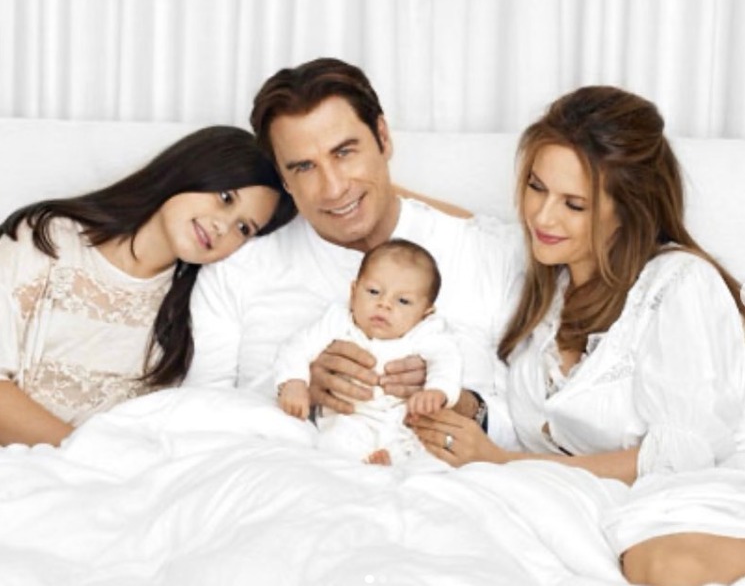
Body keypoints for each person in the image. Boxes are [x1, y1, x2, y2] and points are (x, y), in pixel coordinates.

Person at [409, 85, 745, 585]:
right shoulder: (547, 289)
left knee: (661, 567)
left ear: (627, 208)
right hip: (597, 505)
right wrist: (466, 408)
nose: (542, 217)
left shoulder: (678, 283)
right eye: (536, 187)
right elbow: (466, 226)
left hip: (703, 488)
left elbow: (680, 458)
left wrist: (507, 464)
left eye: (574, 204)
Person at [185, 57, 524, 452]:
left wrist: (463, 404)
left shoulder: (488, 253)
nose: (333, 189)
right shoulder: (234, 272)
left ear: (383, 137)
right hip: (290, 479)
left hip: (441, 479)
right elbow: (196, 421)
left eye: (344, 152)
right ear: (284, 180)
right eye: (304, 167)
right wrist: (298, 392)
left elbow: (540, 430)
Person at [0, 125, 296, 447]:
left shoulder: (190, 314)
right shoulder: (47, 239)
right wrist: (86, 453)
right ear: (191, 169)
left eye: (243, 228)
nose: (222, 226)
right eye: (225, 198)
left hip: (110, 471)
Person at [276, 239, 462, 465]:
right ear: (353, 292)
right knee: (334, 440)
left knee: (423, 450)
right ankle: (365, 465)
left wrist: (438, 391)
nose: (384, 304)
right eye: (374, 291)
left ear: (425, 313)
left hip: (400, 420)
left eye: (403, 301)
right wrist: (294, 381)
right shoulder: (338, 321)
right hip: (349, 416)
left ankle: (392, 462)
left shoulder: (426, 333)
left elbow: (446, 360)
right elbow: (296, 346)